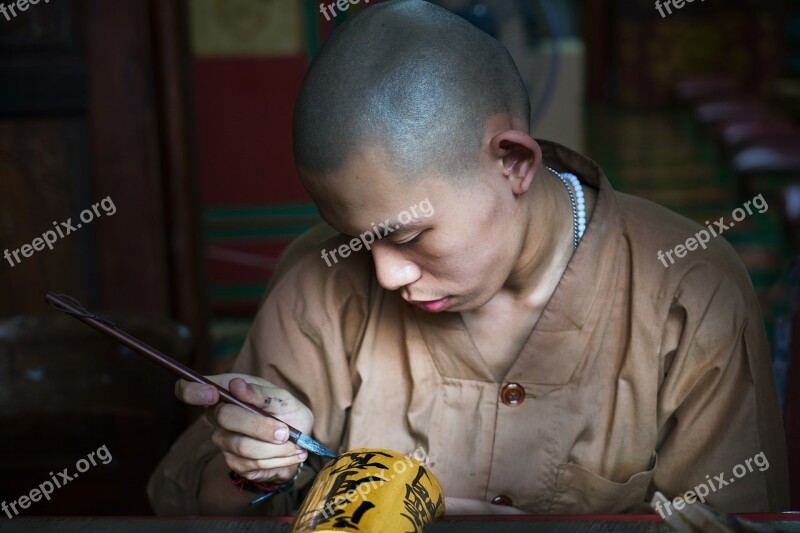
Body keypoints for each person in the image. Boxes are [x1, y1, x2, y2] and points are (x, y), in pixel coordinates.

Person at [148, 0, 789, 516]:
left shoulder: (688, 288)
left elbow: (730, 521)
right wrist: (252, 466)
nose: (385, 274)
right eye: (358, 237)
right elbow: (187, 503)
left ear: (513, 162)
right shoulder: (319, 280)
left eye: (407, 236)